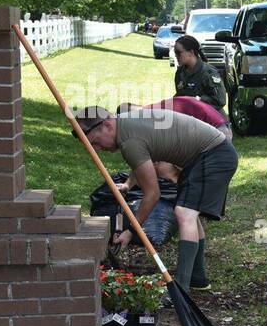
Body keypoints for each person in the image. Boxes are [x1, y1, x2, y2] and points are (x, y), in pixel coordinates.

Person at [73, 105, 238, 294]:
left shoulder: (129, 140)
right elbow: (143, 161)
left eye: (95, 142)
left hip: (214, 155)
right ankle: (198, 278)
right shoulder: (127, 124)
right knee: (187, 211)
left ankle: (181, 289)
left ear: (108, 125)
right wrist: (129, 184)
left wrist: (130, 231)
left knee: (185, 213)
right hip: (204, 156)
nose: (97, 150)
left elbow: (152, 194)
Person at [173, 35, 227, 112]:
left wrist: (197, 100)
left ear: (191, 52)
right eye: (175, 52)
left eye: (178, 52)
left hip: (211, 119)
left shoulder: (208, 72)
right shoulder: (180, 72)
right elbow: (180, 95)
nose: (176, 56)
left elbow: (220, 100)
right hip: (191, 117)